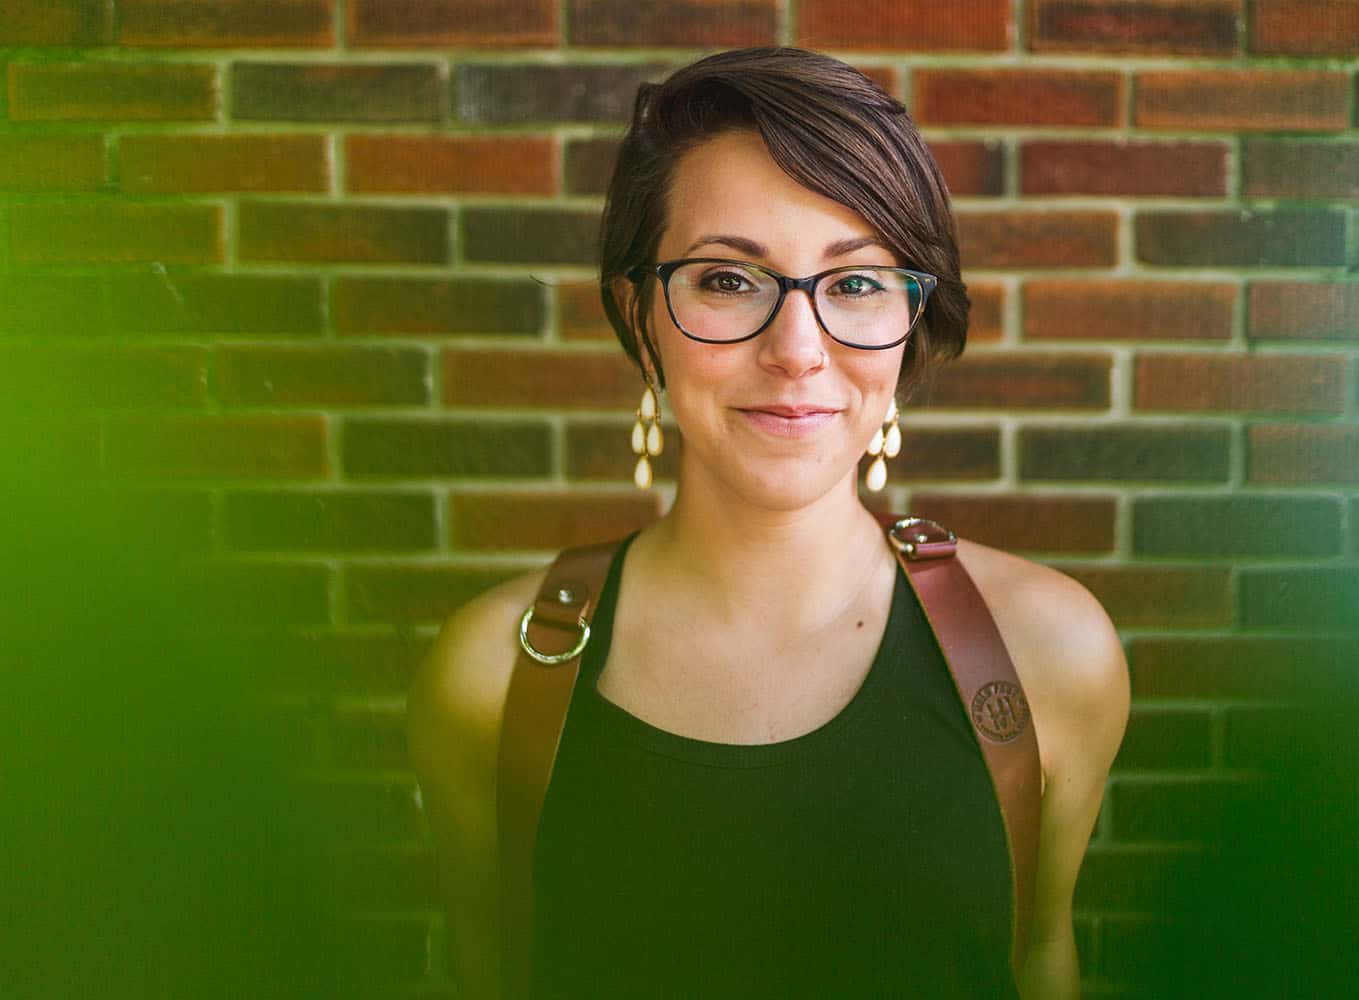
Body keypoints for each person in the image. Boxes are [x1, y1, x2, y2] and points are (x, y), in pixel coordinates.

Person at [408, 47, 1129, 1000]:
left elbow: (1039, 962)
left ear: (911, 320)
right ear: (641, 319)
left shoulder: (1049, 654)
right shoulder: (493, 677)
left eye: (858, 283)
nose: (797, 351)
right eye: (726, 281)